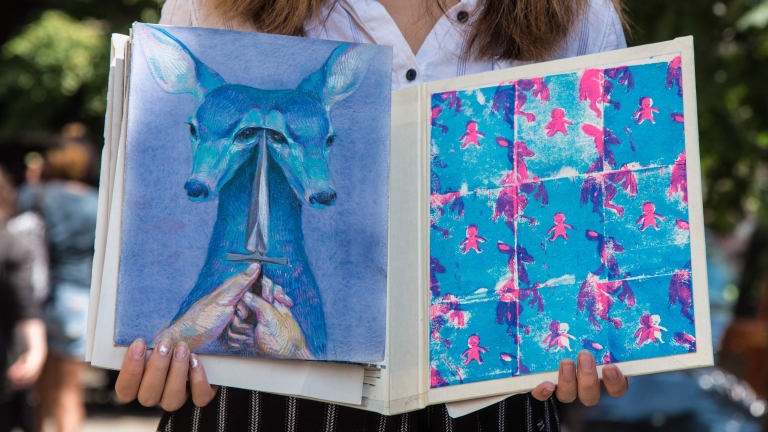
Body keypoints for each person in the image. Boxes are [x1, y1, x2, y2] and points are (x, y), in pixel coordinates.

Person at [115, 0, 631, 430]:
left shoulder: (580, 15)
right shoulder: (216, 5)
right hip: (249, 403)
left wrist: (596, 337)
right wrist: (157, 354)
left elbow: (605, 235)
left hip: (490, 407)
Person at [19, 134, 99, 432]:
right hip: (78, 296)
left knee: (39, 394)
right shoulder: (96, 203)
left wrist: (33, 181)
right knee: (68, 391)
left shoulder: (36, 194)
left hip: (38, 296)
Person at [0, 166, 47, 432]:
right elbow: (25, 305)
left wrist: (35, 351)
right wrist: (36, 352)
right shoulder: (11, 244)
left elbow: (24, 305)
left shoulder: (12, 245)